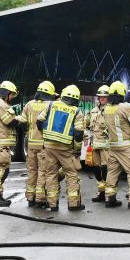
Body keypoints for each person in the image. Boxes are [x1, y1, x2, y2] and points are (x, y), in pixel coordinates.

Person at [37, 84, 87, 212]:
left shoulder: (51, 105)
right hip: (65, 149)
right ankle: (74, 204)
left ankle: (52, 204)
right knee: (71, 175)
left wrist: (45, 137)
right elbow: (79, 134)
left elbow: (39, 121)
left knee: (51, 174)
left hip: (49, 146)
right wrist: (76, 150)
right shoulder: (77, 112)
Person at [102, 82, 130, 209]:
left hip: (113, 147)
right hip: (126, 146)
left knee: (112, 172)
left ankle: (110, 198)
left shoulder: (106, 108)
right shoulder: (125, 107)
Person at [0, 80, 25, 207]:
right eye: (12, 95)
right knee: (1, 169)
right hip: (0, 141)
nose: (12, 98)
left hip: (1, 142)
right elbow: (10, 121)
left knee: (4, 169)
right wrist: (20, 120)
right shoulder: (0, 104)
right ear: (6, 93)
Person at [23, 81, 56, 207]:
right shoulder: (50, 105)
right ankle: (40, 199)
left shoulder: (29, 104)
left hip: (31, 144)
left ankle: (30, 198)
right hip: (44, 145)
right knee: (43, 171)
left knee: (32, 171)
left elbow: (22, 122)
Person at [88, 85, 111, 203]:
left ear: (108, 98)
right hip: (95, 145)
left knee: (106, 169)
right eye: (100, 96)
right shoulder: (94, 110)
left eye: (104, 96)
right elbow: (88, 125)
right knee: (97, 171)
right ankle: (101, 192)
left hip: (106, 146)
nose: (102, 98)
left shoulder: (110, 110)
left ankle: (109, 194)